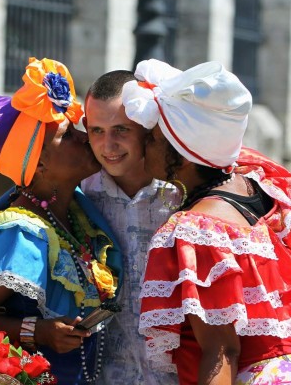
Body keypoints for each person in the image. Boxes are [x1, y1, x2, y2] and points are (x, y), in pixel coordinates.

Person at [123, 59, 291, 384]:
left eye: (153, 138)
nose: (143, 146)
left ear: (182, 151)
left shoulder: (197, 228)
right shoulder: (256, 185)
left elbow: (222, 351)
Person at [0, 57, 123, 384]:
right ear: (38, 164)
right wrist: (40, 331)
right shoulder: (19, 233)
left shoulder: (78, 217)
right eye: (66, 135)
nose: (83, 138)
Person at [80, 70, 179, 384]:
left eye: (121, 129)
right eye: (97, 130)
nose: (108, 144)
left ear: (146, 127)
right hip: (107, 375)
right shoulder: (80, 197)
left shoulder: (182, 193)